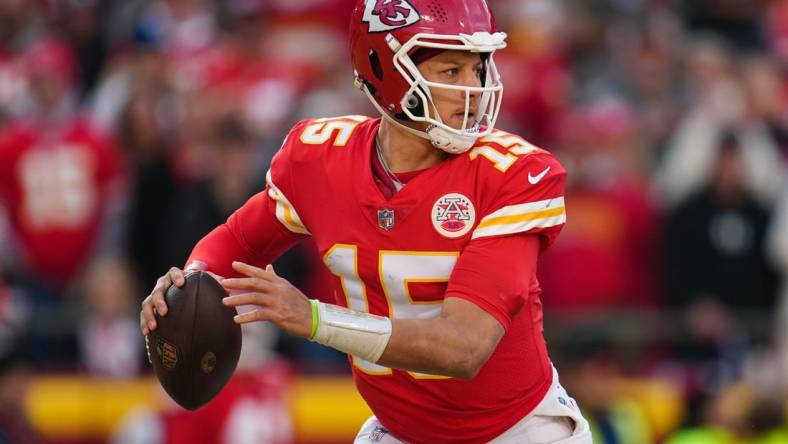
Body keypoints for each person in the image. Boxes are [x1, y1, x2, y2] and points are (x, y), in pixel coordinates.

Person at [140, 1, 592, 442]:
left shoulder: (513, 173)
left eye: (476, 68)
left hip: (515, 431)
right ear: (387, 72)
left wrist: (314, 319)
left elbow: (465, 347)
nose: (472, 88)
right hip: (399, 431)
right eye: (451, 72)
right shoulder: (321, 157)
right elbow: (235, 241)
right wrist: (186, 284)